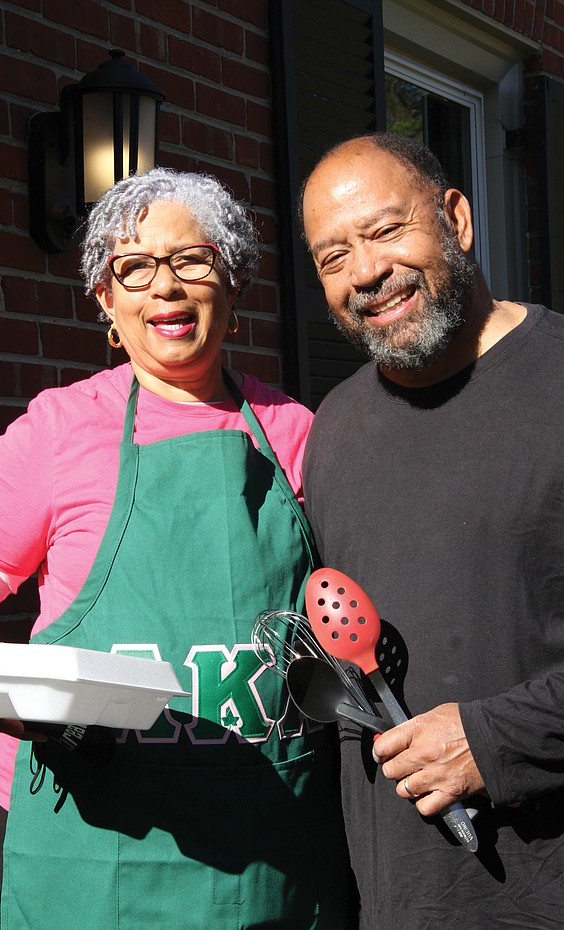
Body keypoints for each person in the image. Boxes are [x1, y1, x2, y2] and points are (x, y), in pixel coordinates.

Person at [0, 167, 353, 929]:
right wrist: (13, 699)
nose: (163, 286)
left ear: (232, 287)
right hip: (93, 832)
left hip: (266, 825)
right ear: (107, 301)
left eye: (192, 260)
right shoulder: (58, 429)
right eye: (132, 268)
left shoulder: (300, 431)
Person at [300, 132, 564, 928]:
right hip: (399, 904)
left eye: (385, 231)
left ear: (457, 217)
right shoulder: (335, 429)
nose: (366, 272)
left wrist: (491, 740)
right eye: (332, 256)